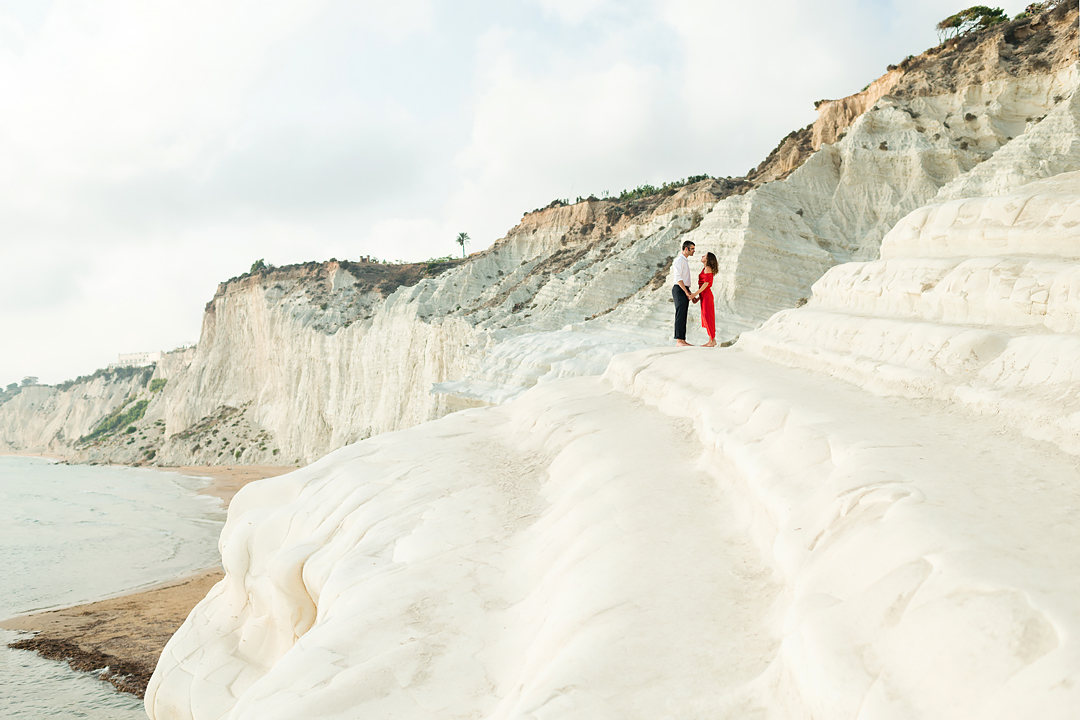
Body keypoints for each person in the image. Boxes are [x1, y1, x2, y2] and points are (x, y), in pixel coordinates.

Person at [692, 251, 719, 347]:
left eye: (704, 256)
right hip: (704, 296)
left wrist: (695, 294)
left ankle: (712, 340)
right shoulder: (705, 268)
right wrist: (698, 298)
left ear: (707, 259)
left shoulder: (707, 268)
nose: (702, 256)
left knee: (708, 317)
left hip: (707, 296)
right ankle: (711, 340)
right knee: (706, 316)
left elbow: (706, 284)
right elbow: (704, 287)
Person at [671, 240, 695, 346]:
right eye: (692, 249)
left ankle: (682, 339)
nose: (694, 251)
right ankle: (679, 341)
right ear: (686, 249)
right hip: (679, 289)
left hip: (684, 289)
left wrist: (690, 294)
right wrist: (686, 292)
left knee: (683, 314)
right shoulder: (679, 260)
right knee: (680, 313)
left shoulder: (684, 261)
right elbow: (678, 279)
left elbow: (685, 281)